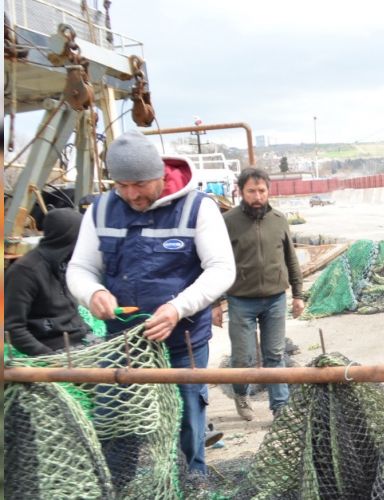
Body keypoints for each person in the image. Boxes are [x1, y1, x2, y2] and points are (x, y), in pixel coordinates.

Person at [67, 130, 235, 476]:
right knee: (118, 421)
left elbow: (222, 270)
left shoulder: (197, 208)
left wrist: (177, 308)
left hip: (182, 342)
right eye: (122, 185)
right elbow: (80, 268)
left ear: (159, 174)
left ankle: (192, 480)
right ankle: (123, 484)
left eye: (140, 184)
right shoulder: (99, 211)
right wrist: (92, 293)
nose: (131, 194)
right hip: (122, 344)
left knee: (188, 418)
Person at [212, 167, 304, 421]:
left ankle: (280, 408)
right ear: (241, 192)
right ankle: (241, 394)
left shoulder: (278, 219)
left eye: (261, 191)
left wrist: (298, 294)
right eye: (251, 191)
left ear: (268, 191)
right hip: (241, 300)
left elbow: (291, 259)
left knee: (275, 355)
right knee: (243, 358)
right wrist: (215, 303)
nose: (257, 196)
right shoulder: (228, 222)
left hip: (275, 299)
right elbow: (215, 263)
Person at [5, 207, 92, 356]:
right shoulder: (25, 272)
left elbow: (70, 312)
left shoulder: (63, 263)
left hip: (79, 341)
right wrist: (48, 358)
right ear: (67, 239)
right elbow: (12, 328)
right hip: (53, 347)